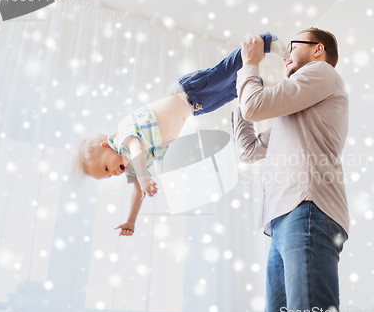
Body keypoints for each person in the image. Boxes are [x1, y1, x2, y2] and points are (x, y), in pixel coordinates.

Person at [71, 32, 289, 237]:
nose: (113, 174)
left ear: (105, 146)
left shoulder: (121, 139)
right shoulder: (134, 166)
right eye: (108, 176)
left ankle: (265, 41)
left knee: (224, 72)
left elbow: (137, 148)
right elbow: (137, 193)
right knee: (235, 90)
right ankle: (275, 86)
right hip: (195, 106)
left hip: (187, 90)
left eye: (106, 168)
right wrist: (131, 221)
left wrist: (145, 176)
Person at [231, 27, 350, 312]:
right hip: (285, 217)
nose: (286, 54)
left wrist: (250, 66)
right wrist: (237, 95)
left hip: (307, 208)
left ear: (317, 50)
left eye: (293, 45)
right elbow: (248, 149)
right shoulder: (296, 114)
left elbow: (256, 105)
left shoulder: (321, 72)